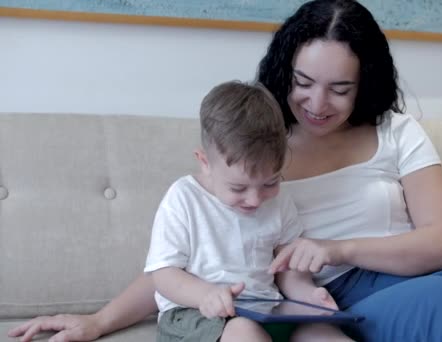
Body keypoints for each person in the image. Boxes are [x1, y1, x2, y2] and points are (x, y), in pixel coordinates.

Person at [8, 1, 442, 341]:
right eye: (304, 81)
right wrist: (98, 322)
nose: (318, 103)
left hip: (431, 274)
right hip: (336, 298)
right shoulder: (257, 149)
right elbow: (196, 256)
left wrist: (337, 248)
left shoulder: (398, 131)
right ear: (285, 70)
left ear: (366, 83)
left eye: (341, 89)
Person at [146, 80, 352, 342]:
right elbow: (163, 274)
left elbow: (286, 269)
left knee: (324, 334)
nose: (255, 200)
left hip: (265, 311)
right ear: (205, 163)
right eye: (238, 187)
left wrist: (308, 294)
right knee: (245, 333)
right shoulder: (184, 198)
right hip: (195, 314)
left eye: (270, 182)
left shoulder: (280, 202)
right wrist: (205, 295)